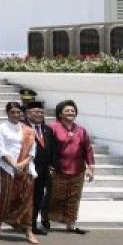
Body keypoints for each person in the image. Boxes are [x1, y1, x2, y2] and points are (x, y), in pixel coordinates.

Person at [0, 102, 39, 245]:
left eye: (18, 112)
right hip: (8, 168)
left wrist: (23, 164)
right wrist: (14, 164)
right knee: (6, 196)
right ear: (7, 113)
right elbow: (1, 148)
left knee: (27, 199)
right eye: (13, 112)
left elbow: (32, 151)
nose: (16, 115)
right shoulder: (1, 128)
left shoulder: (28, 130)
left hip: (26, 168)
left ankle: (28, 231)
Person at [47, 100, 94, 235]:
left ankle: (70, 223)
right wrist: (49, 165)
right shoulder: (52, 128)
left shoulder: (81, 130)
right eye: (67, 111)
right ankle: (48, 218)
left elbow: (88, 150)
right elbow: (49, 148)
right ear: (60, 114)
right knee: (55, 196)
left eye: (73, 111)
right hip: (58, 168)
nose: (70, 113)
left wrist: (90, 167)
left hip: (78, 168)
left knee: (74, 197)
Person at [26, 101, 57, 235]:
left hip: (43, 170)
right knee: (25, 198)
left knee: (38, 197)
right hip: (26, 168)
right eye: (36, 112)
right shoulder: (23, 128)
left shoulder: (47, 129)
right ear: (28, 113)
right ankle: (21, 223)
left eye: (41, 112)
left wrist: (52, 165)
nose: (39, 114)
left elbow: (53, 149)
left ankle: (32, 224)